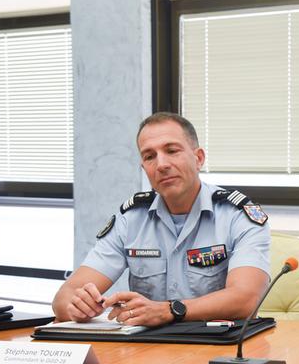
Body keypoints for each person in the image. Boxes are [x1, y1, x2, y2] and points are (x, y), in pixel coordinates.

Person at [52, 112, 271, 326]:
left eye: (172, 151)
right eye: (149, 156)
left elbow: (246, 300)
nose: (161, 164)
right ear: (144, 168)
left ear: (198, 158)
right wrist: (78, 306)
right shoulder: (130, 220)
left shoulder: (237, 216)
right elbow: (63, 299)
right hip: (147, 349)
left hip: (217, 348)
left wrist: (169, 311)